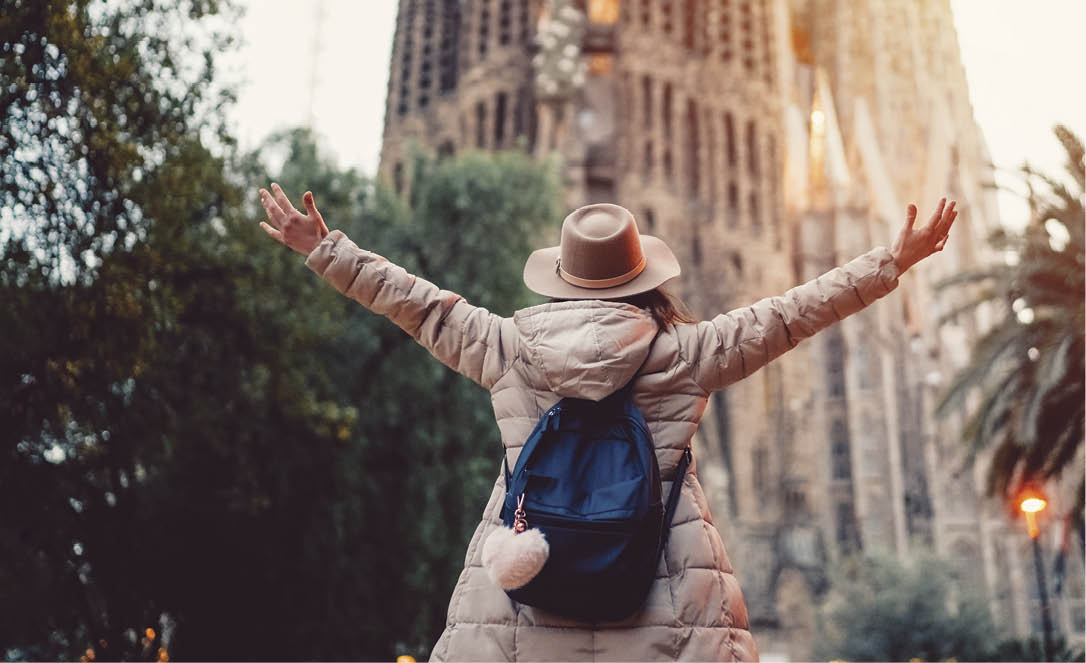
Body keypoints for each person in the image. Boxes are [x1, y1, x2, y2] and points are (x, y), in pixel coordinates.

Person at [258, 183, 957, 662]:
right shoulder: (687, 354)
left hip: (523, 606)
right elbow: (792, 312)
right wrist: (892, 260)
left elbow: (419, 305)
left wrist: (326, 248)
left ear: (559, 278)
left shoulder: (508, 348)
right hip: (663, 602)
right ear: (645, 281)